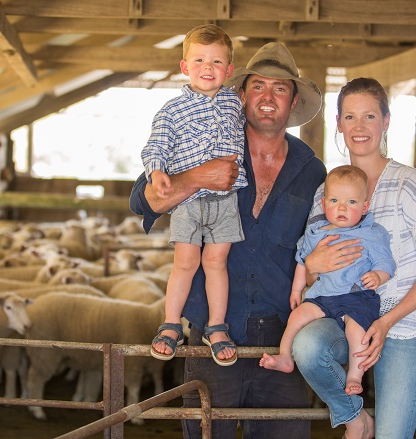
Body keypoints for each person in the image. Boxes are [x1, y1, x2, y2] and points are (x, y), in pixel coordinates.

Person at [131, 42, 333, 438]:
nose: (268, 97)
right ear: (241, 95)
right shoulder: (203, 142)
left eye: (280, 88)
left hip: (282, 340)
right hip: (212, 333)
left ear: (293, 101)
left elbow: (324, 235)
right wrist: (197, 177)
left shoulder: (312, 170)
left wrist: (318, 265)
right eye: (258, 86)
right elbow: (144, 200)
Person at [291, 77, 416, 439]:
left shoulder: (408, 182)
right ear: (338, 123)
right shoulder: (329, 190)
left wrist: (385, 323)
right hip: (348, 315)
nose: (359, 127)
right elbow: (314, 269)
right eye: (350, 117)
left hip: (406, 324)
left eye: (369, 116)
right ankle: (355, 417)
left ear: (386, 121)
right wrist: (312, 267)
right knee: (306, 345)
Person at [142, 24, 247, 366]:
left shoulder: (235, 102)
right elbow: (156, 145)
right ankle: (171, 325)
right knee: (185, 263)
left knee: (217, 263)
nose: (208, 68)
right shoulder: (171, 111)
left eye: (217, 62)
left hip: (225, 200)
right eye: (199, 60)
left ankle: (216, 327)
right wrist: (157, 172)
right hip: (186, 200)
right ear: (185, 67)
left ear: (228, 71)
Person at [260, 165, 396, 399]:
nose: (342, 207)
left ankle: (355, 375)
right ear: (323, 205)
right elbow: (302, 260)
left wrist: (378, 276)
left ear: (364, 207)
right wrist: (297, 289)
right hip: (323, 296)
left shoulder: (373, 233)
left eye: (351, 202)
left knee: (357, 332)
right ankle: (285, 357)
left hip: (357, 297)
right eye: (334, 200)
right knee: (297, 316)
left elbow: (386, 264)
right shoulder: (315, 232)